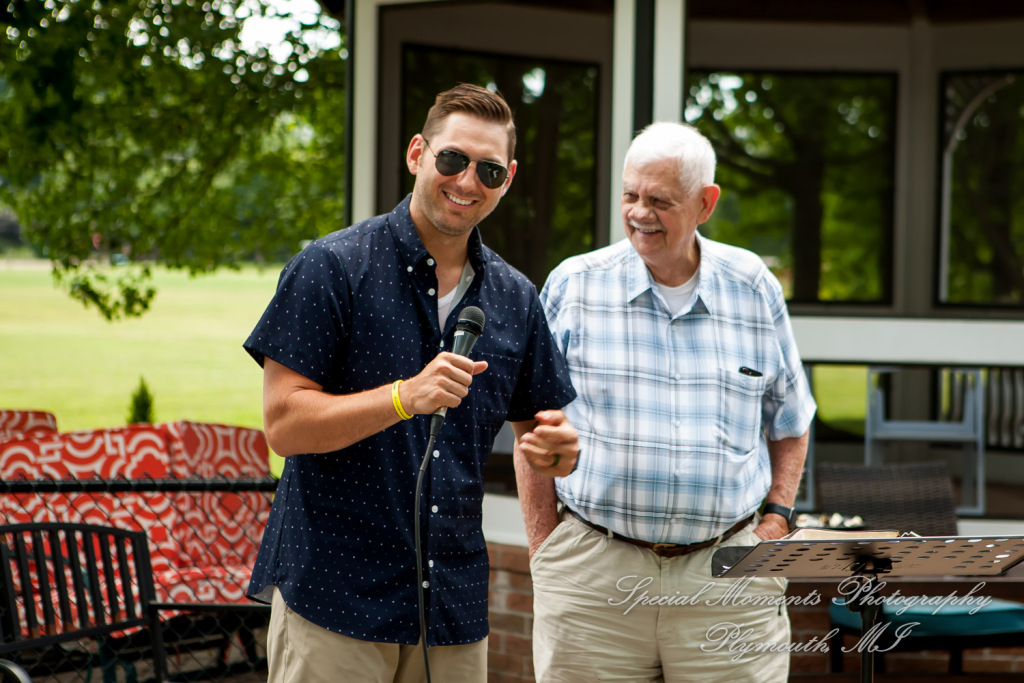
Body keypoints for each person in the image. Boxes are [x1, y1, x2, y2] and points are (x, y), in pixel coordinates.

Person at [244, 83, 579, 683]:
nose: (468, 181)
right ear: (417, 153)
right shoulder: (331, 265)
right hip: (334, 597)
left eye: (490, 169)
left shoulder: (516, 297)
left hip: (450, 607)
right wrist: (404, 398)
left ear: (510, 178)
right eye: (452, 159)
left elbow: (541, 432)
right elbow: (285, 425)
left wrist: (557, 450)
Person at [516, 121, 817, 682]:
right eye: (629, 195)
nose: (639, 212)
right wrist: (545, 548)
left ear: (706, 203)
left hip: (727, 574)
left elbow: (791, 419)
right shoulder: (573, 286)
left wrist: (774, 520)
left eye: (659, 200)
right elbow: (529, 426)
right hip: (594, 576)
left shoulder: (753, 286)